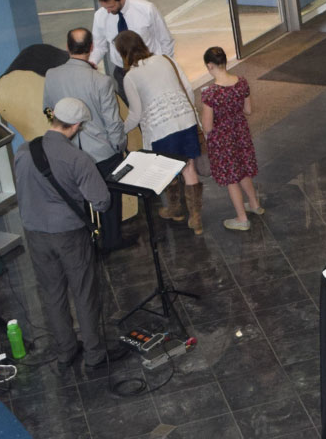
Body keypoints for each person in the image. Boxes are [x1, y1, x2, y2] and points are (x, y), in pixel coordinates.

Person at [13, 98, 112, 368]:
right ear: (77, 125)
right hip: (69, 234)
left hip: (35, 234)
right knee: (83, 291)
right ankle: (93, 352)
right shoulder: (78, 158)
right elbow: (102, 202)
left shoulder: (23, 151)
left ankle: (66, 350)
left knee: (52, 293)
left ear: (53, 118)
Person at [42, 28, 130, 251]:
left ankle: (86, 242)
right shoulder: (101, 81)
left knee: (75, 198)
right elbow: (113, 122)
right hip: (102, 152)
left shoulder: (51, 75)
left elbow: (47, 109)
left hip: (66, 149)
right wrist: (120, 146)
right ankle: (112, 240)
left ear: (67, 46)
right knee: (108, 197)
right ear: (91, 48)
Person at [116, 30, 203, 233]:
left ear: (123, 53)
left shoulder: (131, 77)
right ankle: (196, 220)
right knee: (189, 168)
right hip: (185, 120)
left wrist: (120, 130)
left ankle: (175, 210)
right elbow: (188, 89)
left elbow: (136, 114)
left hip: (161, 128)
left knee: (168, 171)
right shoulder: (165, 60)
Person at [200, 46, 263, 231]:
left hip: (222, 140)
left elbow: (208, 126)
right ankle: (254, 204)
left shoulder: (210, 94)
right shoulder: (241, 82)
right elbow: (248, 110)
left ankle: (242, 218)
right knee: (243, 169)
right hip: (241, 133)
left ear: (210, 65)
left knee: (231, 178)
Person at [89, 0, 175, 95]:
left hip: (150, 67)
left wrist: (165, 65)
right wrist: (91, 63)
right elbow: (99, 46)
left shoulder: (146, 9)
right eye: (105, 7)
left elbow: (165, 39)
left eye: (111, 6)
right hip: (123, 72)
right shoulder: (100, 16)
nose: (108, 11)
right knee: (131, 108)